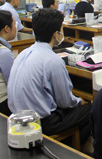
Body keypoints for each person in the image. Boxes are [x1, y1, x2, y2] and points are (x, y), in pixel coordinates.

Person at [7, 8, 91, 146]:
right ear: (55, 34)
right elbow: (65, 102)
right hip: (41, 123)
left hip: (17, 117)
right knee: (90, 110)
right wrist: (79, 101)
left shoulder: (24, 53)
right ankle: (71, 149)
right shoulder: (53, 60)